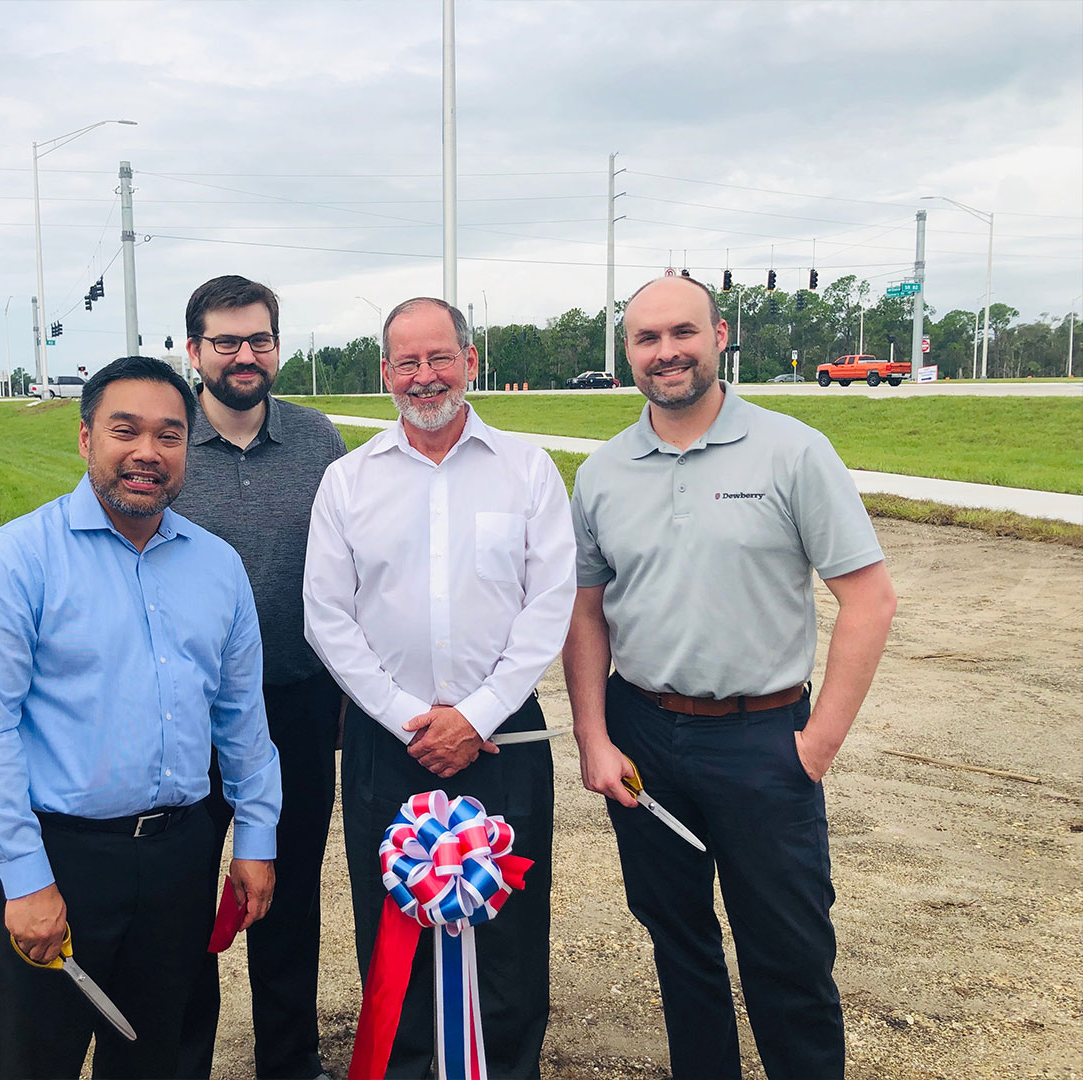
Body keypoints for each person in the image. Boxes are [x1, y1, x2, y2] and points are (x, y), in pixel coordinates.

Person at [562, 275, 897, 1080]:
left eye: (682, 332)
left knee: (788, 957)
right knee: (680, 949)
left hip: (762, 738)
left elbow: (869, 600)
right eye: (646, 339)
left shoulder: (793, 451)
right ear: (629, 353)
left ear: (718, 336)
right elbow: (586, 612)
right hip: (645, 735)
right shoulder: (603, 472)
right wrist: (594, 736)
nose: (665, 352)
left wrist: (814, 747)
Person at [0, 356, 283, 1080]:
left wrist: (256, 836)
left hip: (179, 858)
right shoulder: (12, 564)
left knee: (160, 1056)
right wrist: (25, 880)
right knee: (36, 1056)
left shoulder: (217, 568)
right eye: (124, 430)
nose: (146, 453)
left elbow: (242, 720)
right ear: (85, 438)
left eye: (169, 435)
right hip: (60, 857)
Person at [302, 297, 576, 1079]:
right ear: (385, 373)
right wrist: (408, 720)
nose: (425, 378)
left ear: (470, 360)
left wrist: (476, 714)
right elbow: (327, 617)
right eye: (407, 363)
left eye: (440, 358)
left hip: (502, 740)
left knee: (511, 941)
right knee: (391, 930)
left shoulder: (527, 471)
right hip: (388, 748)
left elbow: (548, 605)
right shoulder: (347, 481)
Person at [171, 276, 346, 1080]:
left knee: (287, 886)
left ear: (277, 344)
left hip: (299, 702)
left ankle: (289, 1057)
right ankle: (182, 1055)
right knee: (180, 894)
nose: (245, 356)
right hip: (185, 710)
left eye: (260, 340)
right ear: (194, 350)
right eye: (227, 342)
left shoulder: (317, 442)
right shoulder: (168, 442)